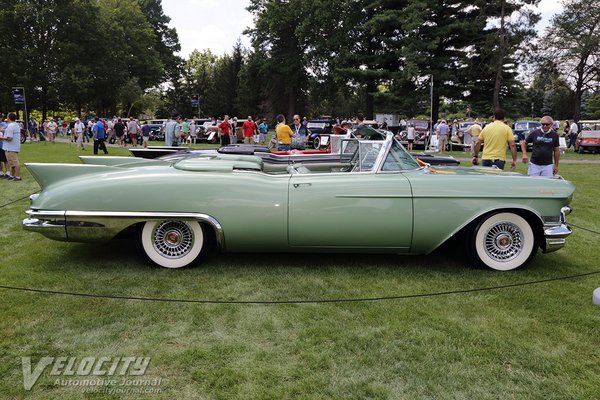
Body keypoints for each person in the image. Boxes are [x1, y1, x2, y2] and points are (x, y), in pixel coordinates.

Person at [0, 113, 22, 180]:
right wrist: (2, 130)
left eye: (7, 116)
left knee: (15, 163)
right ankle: (12, 176)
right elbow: (9, 132)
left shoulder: (10, 126)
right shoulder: (15, 125)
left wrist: (1, 137)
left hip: (10, 147)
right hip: (13, 147)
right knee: (11, 163)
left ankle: (17, 177)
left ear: (9, 118)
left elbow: (9, 138)